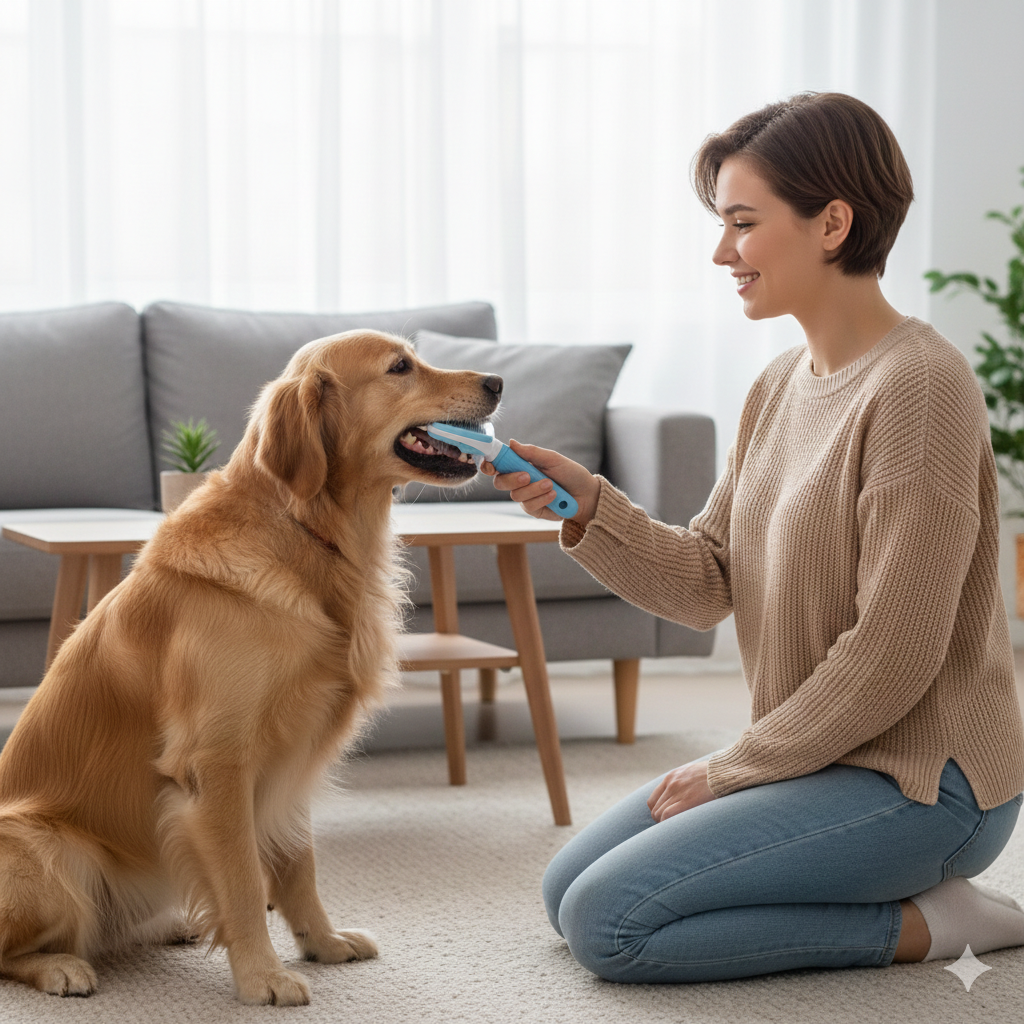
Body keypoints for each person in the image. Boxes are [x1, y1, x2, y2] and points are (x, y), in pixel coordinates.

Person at [482, 92, 1024, 983]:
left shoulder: (920, 389)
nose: (721, 252)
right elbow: (707, 581)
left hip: (926, 782)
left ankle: (936, 922)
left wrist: (734, 769)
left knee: (608, 926)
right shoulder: (777, 386)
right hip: (822, 758)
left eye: (742, 223)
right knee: (564, 891)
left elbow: (894, 650)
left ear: (832, 224)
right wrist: (588, 507)